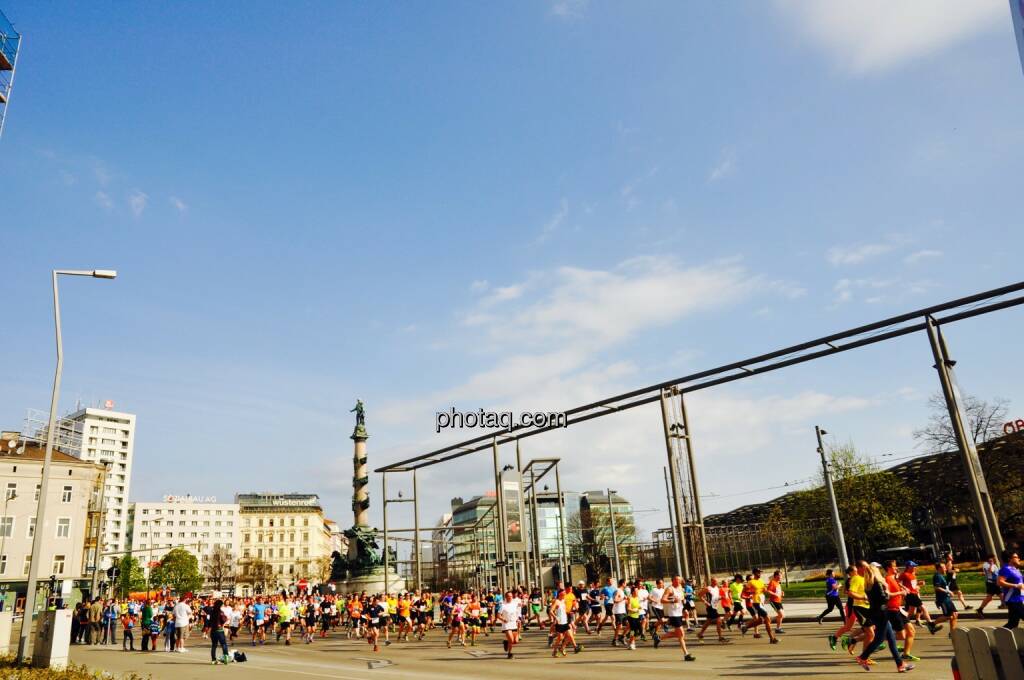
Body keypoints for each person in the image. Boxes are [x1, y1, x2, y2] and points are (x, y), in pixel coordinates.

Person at [855, 562, 913, 673]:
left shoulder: (869, 584)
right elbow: (884, 599)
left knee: (891, 640)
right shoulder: (878, 583)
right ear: (876, 571)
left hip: (876, 613)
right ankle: (862, 657)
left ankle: (900, 664)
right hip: (881, 613)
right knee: (880, 639)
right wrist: (888, 591)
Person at [656, 575, 696, 662]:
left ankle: (659, 638)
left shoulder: (681, 588)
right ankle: (686, 654)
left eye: (680, 580)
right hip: (673, 613)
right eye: (677, 580)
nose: (679, 581)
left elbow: (681, 599)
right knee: (681, 634)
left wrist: (684, 609)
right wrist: (672, 601)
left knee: (680, 634)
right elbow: (662, 600)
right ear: (673, 580)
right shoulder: (670, 589)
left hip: (679, 612)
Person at [996, 549, 1024, 629]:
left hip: (1018, 599)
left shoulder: (1014, 569)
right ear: (1009, 559)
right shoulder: (1006, 569)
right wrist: (1016, 586)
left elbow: (1020, 581)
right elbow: (999, 582)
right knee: (1013, 622)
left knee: (1013, 623)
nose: (1018, 558)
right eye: (1016, 557)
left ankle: (1000, 635)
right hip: (1012, 600)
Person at [696, 577, 728, 644]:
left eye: (717, 581)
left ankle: (700, 634)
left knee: (708, 622)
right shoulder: (708, 588)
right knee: (719, 620)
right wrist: (705, 602)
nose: (716, 582)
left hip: (714, 606)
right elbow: (699, 595)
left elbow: (715, 597)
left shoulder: (716, 588)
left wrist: (721, 598)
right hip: (710, 607)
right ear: (712, 581)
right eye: (715, 581)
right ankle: (720, 637)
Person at [932, 561, 958, 634]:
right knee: (948, 616)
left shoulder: (941, 575)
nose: (945, 569)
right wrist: (948, 592)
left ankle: (952, 632)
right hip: (942, 599)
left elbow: (945, 586)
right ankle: (932, 624)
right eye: (944, 567)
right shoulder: (937, 576)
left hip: (947, 598)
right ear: (939, 568)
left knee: (955, 614)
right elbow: (937, 587)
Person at [497, 590, 521, 659]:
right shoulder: (503, 605)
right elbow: (498, 615)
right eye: (508, 596)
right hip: (506, 624)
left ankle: (506, 642)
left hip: (514, 623)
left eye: (511, 596)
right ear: (506, 597)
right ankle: (510, 653)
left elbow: (517, 612)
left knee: (515, 641)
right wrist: (503, 619)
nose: (510, 597)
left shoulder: (515, 604)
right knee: (511, 640)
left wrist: (518, 619)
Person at [978, 554, 1001, 618]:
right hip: (991, 583)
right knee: (989, 598)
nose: (995, 559)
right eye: (994, 558)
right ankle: (980, 610)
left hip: (995, 583)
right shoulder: (986, 564)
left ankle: (1005, 606)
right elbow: (990, 571)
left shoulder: (993, 564)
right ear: (990, 558)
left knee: (1002, 596)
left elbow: (997, 573)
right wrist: (991, 564)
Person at [209, 599, 230, 665]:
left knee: (214, 645)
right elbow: (223, 620)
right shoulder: (220, 612)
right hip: (219, 630)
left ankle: (213, 659)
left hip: (213, 630)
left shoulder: (212, 611)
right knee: (223, 644)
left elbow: (210, 620)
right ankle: (225, 656)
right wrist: (226, 618)